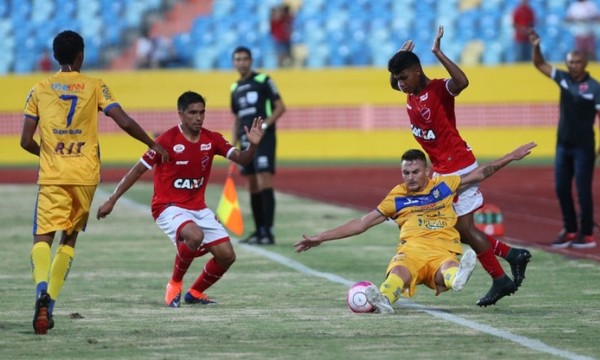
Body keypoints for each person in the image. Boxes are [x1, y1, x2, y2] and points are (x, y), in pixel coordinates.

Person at [20, 30, 169, 335]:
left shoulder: (39, 89)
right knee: (69, 239)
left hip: (53, 175)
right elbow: (124, 121)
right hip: (85, 175)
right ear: (80, 56)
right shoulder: (96, 85)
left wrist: (45, 155)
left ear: (54, 56)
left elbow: (25, 141)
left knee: (42, 238)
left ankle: (40, 292)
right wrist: (152, 144)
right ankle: (52, 304)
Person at [294, 143, 537, 314]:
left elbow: (481, 173)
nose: (410, 177)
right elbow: (361, 223)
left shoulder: (443, 186)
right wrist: (321, 237)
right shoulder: (396, 197)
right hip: (411, 252)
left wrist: (509, 157)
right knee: (398, 271)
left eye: (415, 172)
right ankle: (384, 300)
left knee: (448, 269)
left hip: (442, 251)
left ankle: (458, 277)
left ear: (427, 172)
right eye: (405, 172)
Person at [387, 27, 532, 307]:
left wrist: (438, 53)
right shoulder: (411, 90)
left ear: (417, 71)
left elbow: (462, 81)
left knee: (458, 229)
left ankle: (503, 276)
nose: (400, 84)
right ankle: (511, 258)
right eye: (398, 79)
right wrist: (400, 61)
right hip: (442, 169)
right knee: (457, 228)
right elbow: (395, 81)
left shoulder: (438, 90)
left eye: (404, 77)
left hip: (460, 167)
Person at [96, 91, 265, 308]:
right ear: (180, 114)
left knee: (227, 256)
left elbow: (242, 159)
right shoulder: (166, 140)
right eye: (193, 112)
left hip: (198, 208)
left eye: (202, 112)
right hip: (167, 206)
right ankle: (175, 283)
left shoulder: (212, 139)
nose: (198, 117)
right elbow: (137, 170)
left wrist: (253, 145)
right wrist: (112, 200)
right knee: (195, 236)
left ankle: (195, 293)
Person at [529, 29, 600, 249]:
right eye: (570, 62)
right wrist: (536, 46)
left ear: (585, 64)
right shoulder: (563, 79)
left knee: (583, 190)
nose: (573, 65)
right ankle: (570, 229)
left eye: (577, 62)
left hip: (584, 146)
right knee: (561, 188)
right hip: (563, 144)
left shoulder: (595, 88)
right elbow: (540, 65)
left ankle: (587, 233)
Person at [230, 46, 286, 245]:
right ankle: (259, 230)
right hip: (245, 142)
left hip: (264, 139)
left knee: (264, 181)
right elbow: (237, 118)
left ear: (251, 60)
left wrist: (263, 126)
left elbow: (280, 107)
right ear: (233, 62)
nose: (241, 62)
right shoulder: (235, 88)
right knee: (252, 184)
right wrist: (231, 145)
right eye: (237, 59)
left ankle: (268, 232)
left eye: (245, 58)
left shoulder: (264, 80)